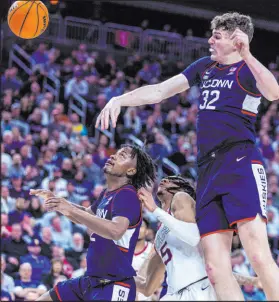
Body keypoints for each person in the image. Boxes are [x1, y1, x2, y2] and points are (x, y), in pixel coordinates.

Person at [96, 12, 279, 300]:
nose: (210, 40)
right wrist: (120, 99)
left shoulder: (247, 69)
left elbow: (273, 91)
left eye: (217, 36)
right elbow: (159, 91)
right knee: (216, 268)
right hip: (207, 169)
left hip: (239, 160)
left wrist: (249, 54)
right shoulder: (205, 67)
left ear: (236, 40)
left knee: (257, 253)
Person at [30, 144, 156, 301]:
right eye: (116, 153)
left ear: (131, 171)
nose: (113, 156)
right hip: (90, 281)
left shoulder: (127, 195)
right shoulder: (107, 193)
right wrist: (60, 204)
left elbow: (115, 230)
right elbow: (86, 216)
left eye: (122, 156)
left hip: (114, 286)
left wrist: (69, 208)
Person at [136, 176, 262, 300]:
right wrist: (121, 275)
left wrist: (155, 210)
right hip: (174, 294)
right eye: (165, 179)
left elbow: (193, 237)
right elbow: (148, 288)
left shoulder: (181, 197)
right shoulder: (160, 233)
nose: (164, 180)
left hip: (199, 290)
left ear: (183, 189)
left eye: (173, 180)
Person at [132, 217, 153, 301]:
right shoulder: (121, 249)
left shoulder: (153, 250)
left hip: (146, 298)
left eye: (141, 226)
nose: (137, 228)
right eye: (134, 226)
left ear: (147, 231)